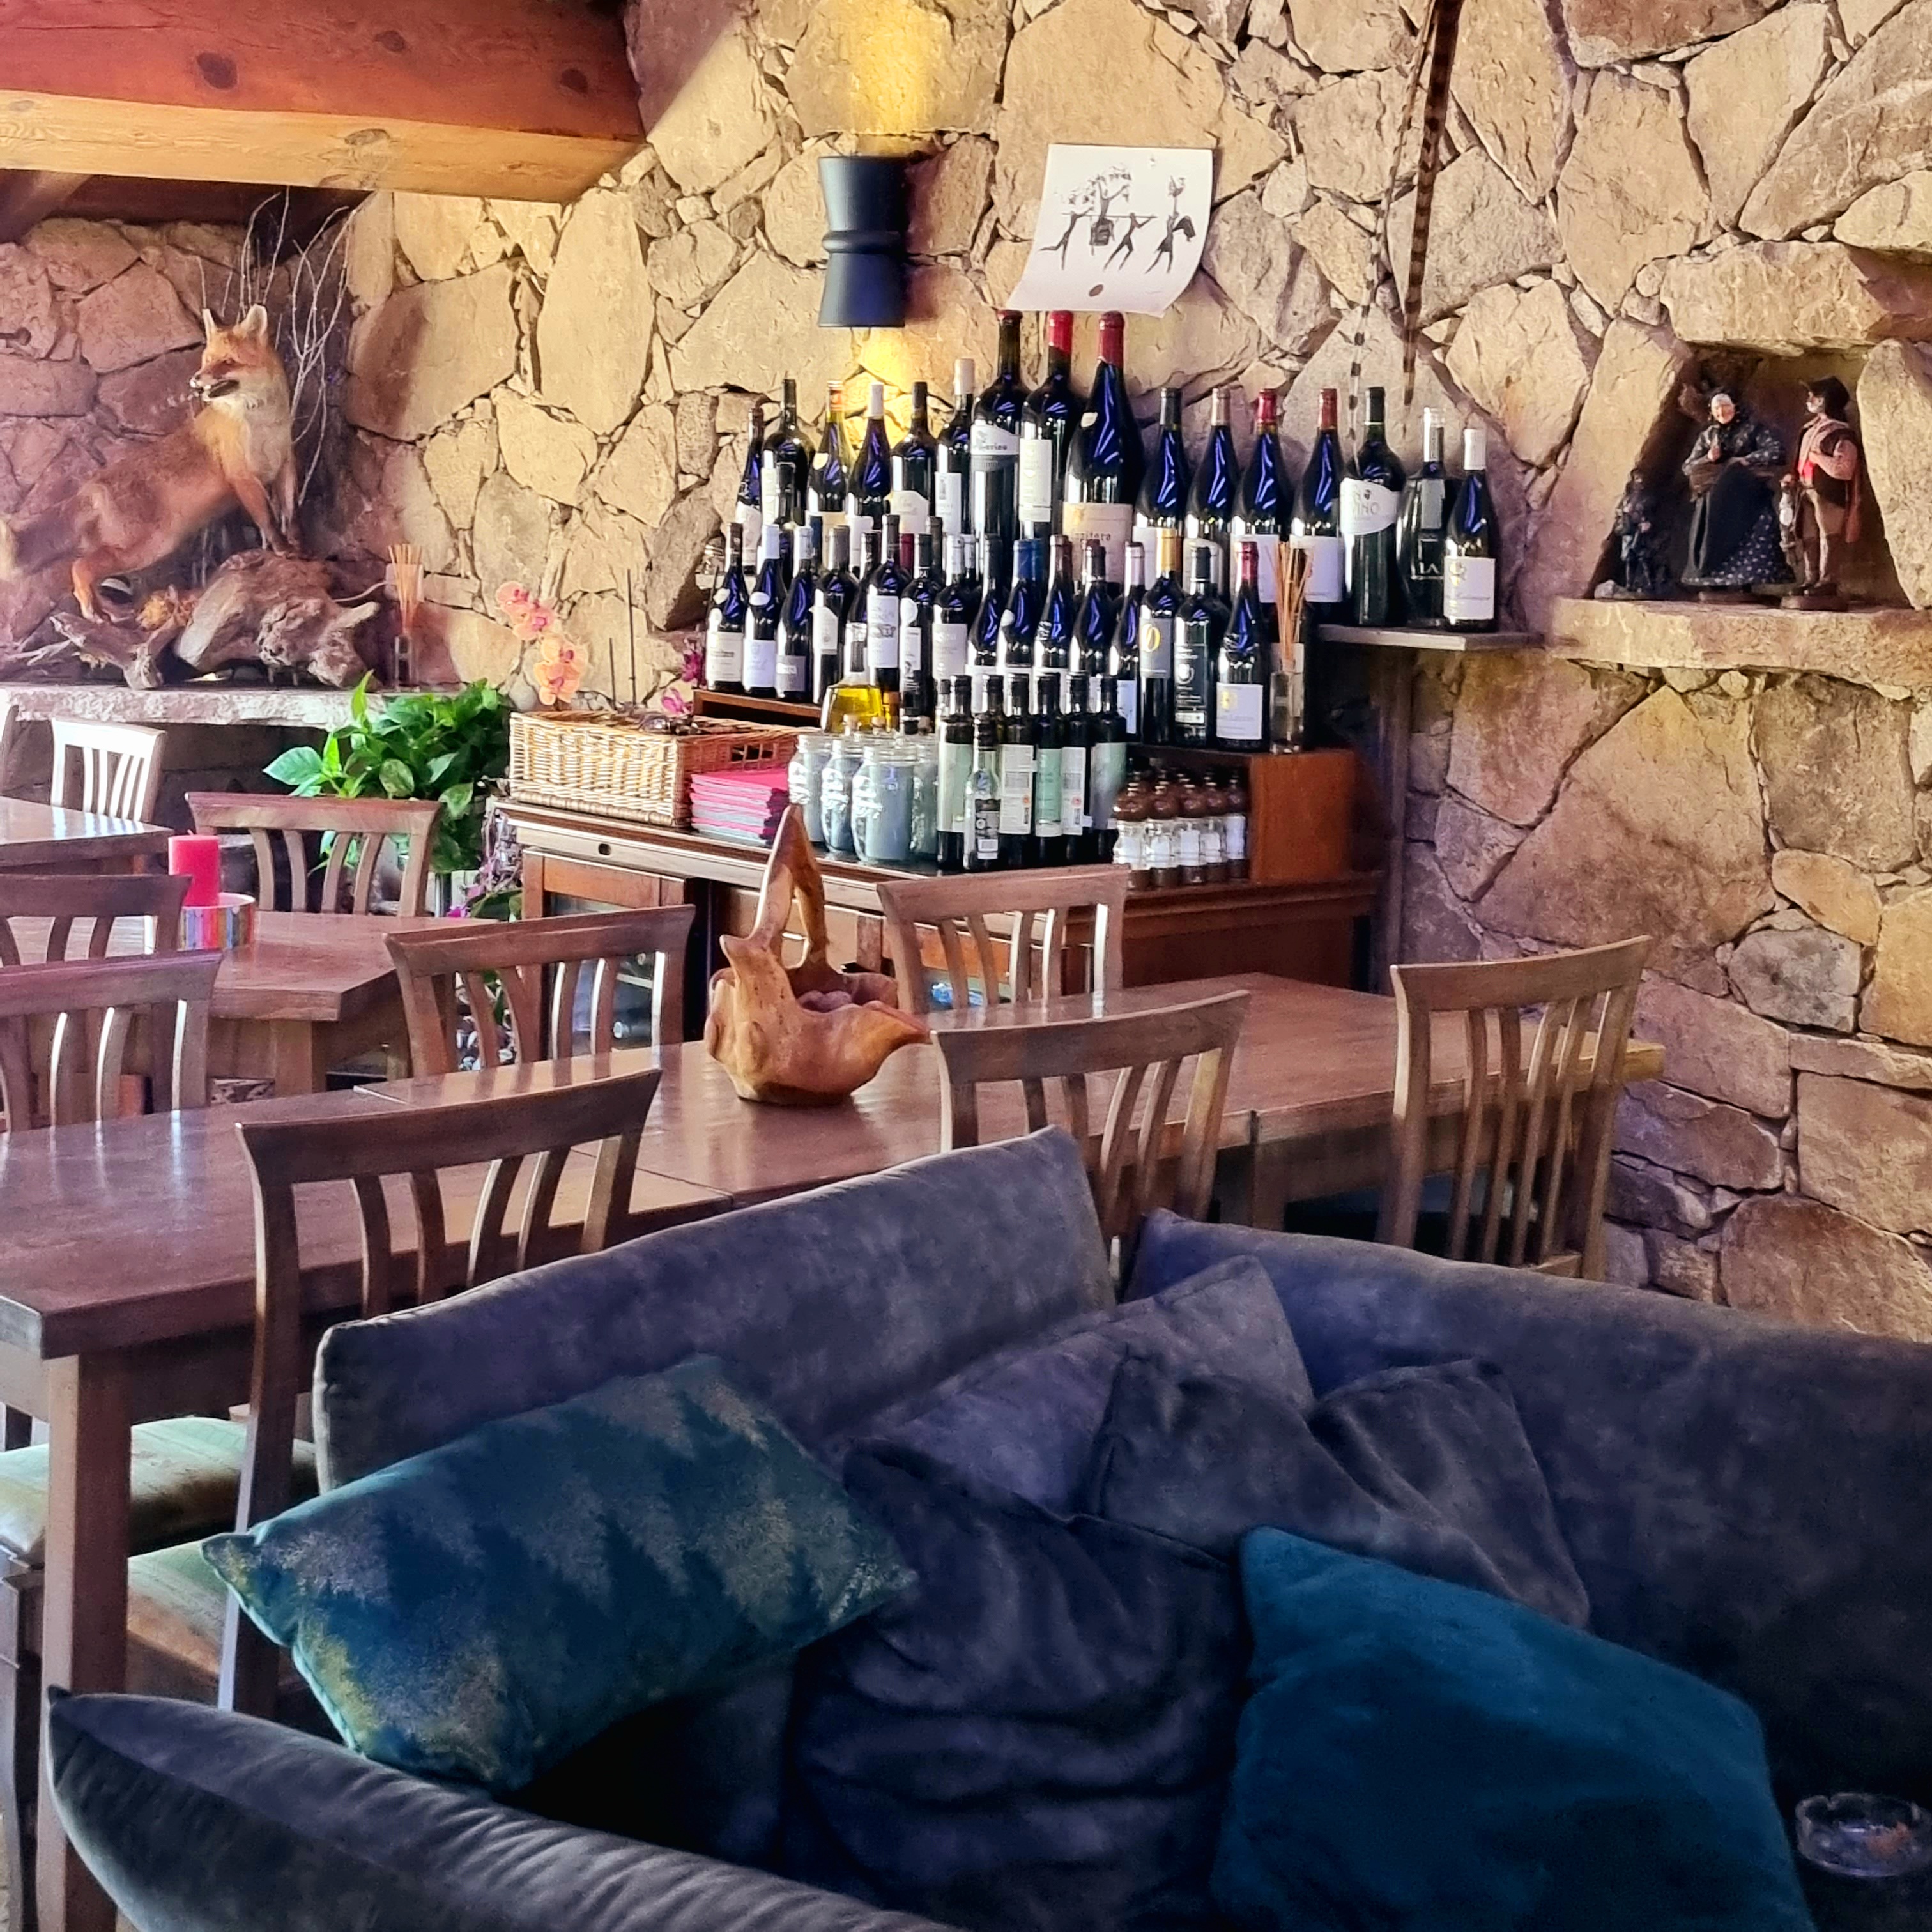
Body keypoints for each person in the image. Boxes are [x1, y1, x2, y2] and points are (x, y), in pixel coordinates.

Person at [1680, 388, 1788, 590]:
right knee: (1712, 539)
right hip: (1715, 502)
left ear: (1735, 406)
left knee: (1751, 533)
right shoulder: (1708, 436)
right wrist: (1707, 459)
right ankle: (1714, 583)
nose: (1722, 412)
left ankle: (1745, 584)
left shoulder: (1753, 429)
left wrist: (1745, 460)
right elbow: (1688, 467)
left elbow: (1776, 451)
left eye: (1725, 406)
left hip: (1746, 496)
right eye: (1717, 409)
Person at [1783, 376, 1863, 594]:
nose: (1810, 400)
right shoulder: (1810, 429)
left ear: (1827, 401)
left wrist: (1819, 458)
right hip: (1806, 490)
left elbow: (1844, 469)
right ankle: (1811, 578)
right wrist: (1793, 476)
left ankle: (1828, 581)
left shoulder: (1840, 434)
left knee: (1829, 535)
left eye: (1815, 397)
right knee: (1808, 535)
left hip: (1828, 493)